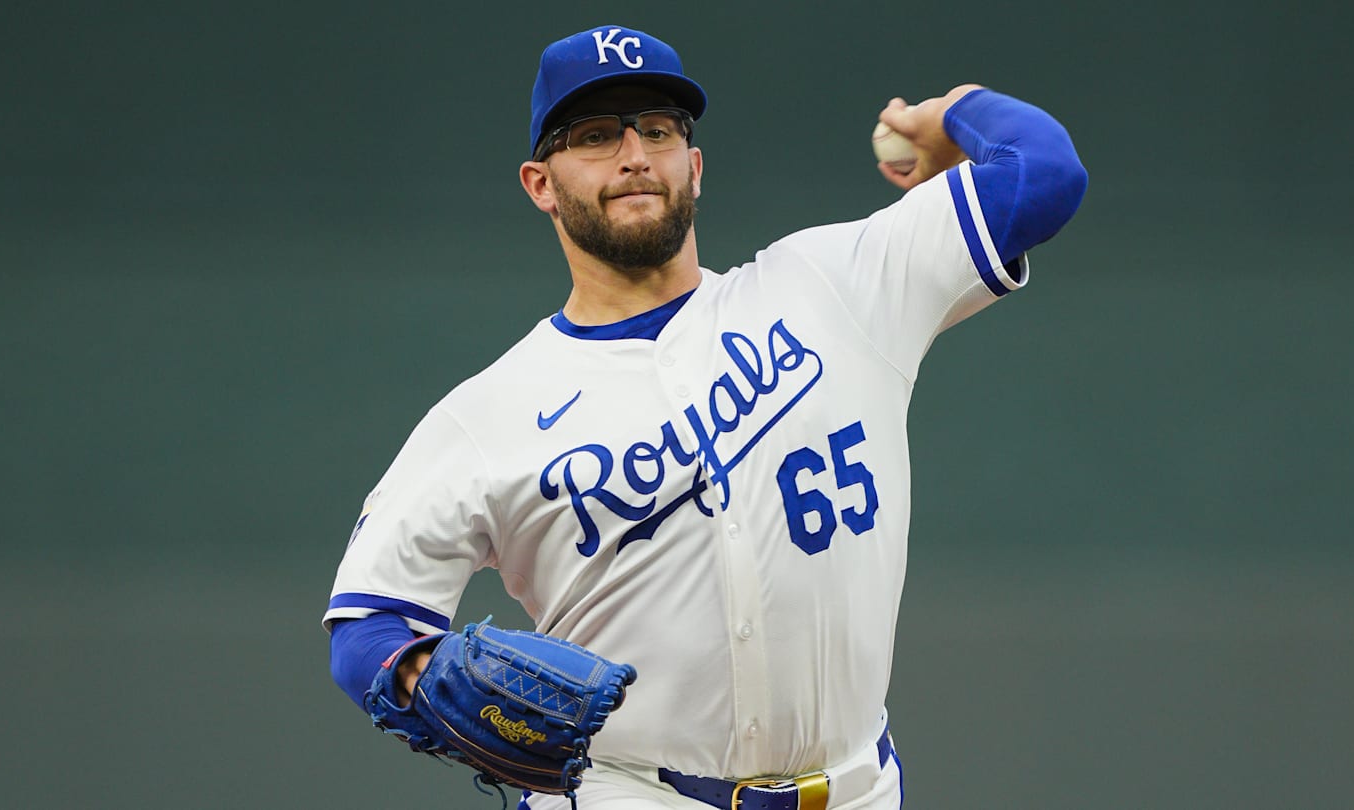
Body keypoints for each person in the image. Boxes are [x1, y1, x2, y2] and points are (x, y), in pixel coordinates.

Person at [324, 23, 1086, 810]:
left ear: (693, 166)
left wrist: (952, 110)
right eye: (593, 136)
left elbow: (1044, 173)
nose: (633, 154)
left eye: (657, 130)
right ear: (539, 183)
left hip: (855, 792)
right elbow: (368, 621)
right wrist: (419, 677)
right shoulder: (485, 415)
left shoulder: (834, 287)